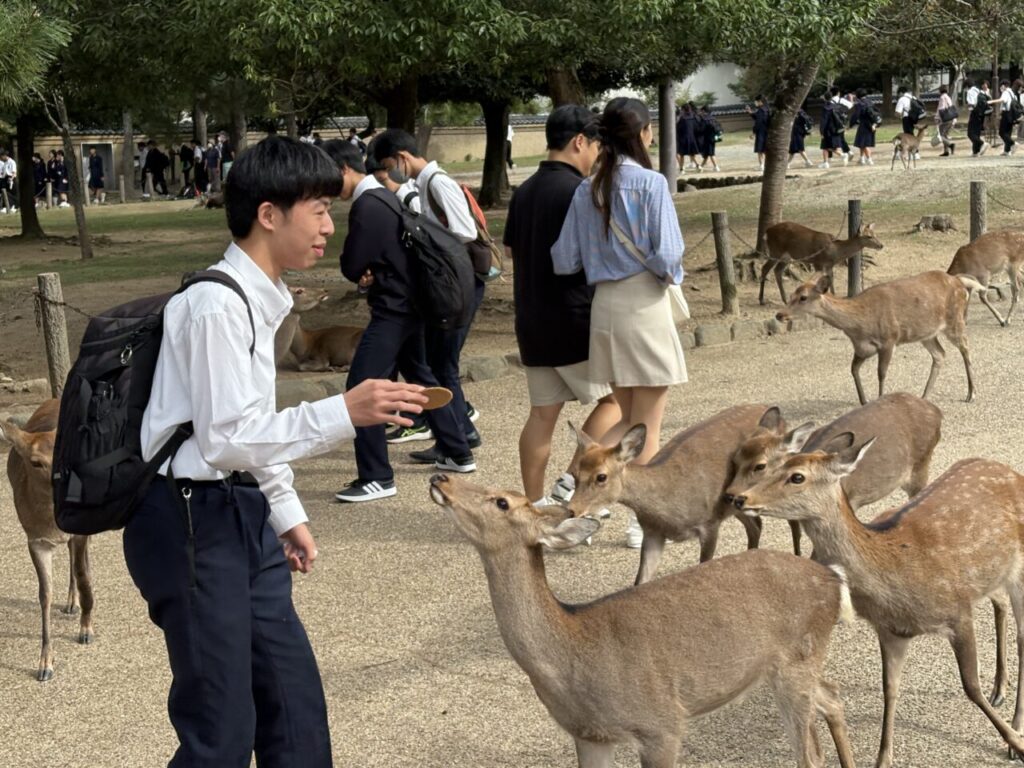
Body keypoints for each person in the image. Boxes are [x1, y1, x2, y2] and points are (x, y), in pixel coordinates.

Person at [125, 135, 429, 766]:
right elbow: (225, 438)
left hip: (239, 511)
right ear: (269, 214)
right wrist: (343, 411)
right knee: (221, 731)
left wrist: (285, 512)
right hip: (187, 521)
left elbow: (247, 425)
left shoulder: (261, 298)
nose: (329, 226)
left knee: (294, 707)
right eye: (317, 210)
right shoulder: (215, 306)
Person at [552, 97, 687, 549]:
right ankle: (641, 522)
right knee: (646, 424)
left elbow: (564, 259)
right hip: (642, 304)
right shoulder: (651, 183)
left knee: (629, 417)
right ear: (644, 133)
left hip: (604, 307)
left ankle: (576, 487)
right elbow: (668, 256)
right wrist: (661, 272)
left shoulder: (585, 189)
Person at [321, 140, 476, 500]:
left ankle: (377, 476)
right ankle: (457, 450)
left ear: (343, 169)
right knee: (420, 378)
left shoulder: (367, 204)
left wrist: (363, 272)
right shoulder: (385, 196)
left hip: (393, 309)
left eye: (327, 177)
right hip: (413, 304)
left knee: (363, 386)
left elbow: (351, 263)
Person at [503, 105, 620, 508]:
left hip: (531, 319)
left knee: (542, 415)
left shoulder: (524, 191)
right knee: (617, 403)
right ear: (580, 141)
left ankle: (532, 505)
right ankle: (571, 479)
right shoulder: (580, 192)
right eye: (597, 147)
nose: (597, 156)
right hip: (574, 317)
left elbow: (510, 250)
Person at [371, 130, 484, 458]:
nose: (390, 173)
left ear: (402, 157)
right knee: (439, 363)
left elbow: (464, 231)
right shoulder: (423, 184)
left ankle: (458, 437)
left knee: (442, 364)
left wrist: (427, 243)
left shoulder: (437, 182)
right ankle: (459, 434)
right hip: (450, 283)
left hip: (458, 283)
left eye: (389, 165)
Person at [851, 88, 878, 165]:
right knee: (862, 143)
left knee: (864, 143)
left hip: (864, 125)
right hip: (872, 125)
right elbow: (877, 112)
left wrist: (851, 124)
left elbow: (856, 115)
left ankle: (869, 159)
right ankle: (862, 158)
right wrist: (875, 124)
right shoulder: (870, 102)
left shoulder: (859, 104)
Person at [968, 81, 993, 156]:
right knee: (976, 133)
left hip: (975, 113)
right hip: (982, 115)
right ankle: (976, 151)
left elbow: (971, 103)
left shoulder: (971, 91)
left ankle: (982, 143)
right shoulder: (982, 93)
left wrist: (969, 107)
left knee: (970, 133)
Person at [746, 95, 770, 171]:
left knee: (760, 150)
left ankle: (761, 165)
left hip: (761, 132)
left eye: (756, 102)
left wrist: (753, 132)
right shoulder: (767, 109)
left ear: (760, 102)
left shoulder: (760, 110)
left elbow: (758, 122)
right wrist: (750, 112)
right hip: (767, 131)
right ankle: (767, 165)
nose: (755, 103)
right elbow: (757, 117)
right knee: (765, 149)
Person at [998, 79, 1021, 155]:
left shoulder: (1006, 92)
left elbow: (1003, 101)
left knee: (1001, 132)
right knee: (1008, 133)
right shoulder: (1013, 94)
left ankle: (1012, 143)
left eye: (1001, 85)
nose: (1000, 87)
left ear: (1004, 85)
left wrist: (992, 101)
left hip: (1006, 114)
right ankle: (1007, 151)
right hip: (1012, 115)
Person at [676, 102, 701, 171]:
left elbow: (678, 128)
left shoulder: (682, 118)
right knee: (691, 154)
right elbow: (697, 127)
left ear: (683, 109)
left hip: (683, 138)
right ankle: (698, 166)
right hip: (692, 138)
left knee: (682, 154)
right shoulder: (693, 117)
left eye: (682, 109)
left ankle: (682, 169)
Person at [788, 102, 814, 168]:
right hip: (801, 133)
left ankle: (808, 161)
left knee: (799, 149)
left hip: (796, 133)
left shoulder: (796, 113)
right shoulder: (802, 112)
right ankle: (788, 163)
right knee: (793, 149)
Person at [933, 84, 957, 157]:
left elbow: (941, 108)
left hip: (945, 119)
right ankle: (946, 151)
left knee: (941, 135)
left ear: (940, 90)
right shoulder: (948, 97)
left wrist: (937, 117)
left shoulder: (942, 98)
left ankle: (950, 145)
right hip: (951, 118)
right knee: (945, 135)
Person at [698, 105, 722, 172]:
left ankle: (716, 167)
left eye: (701, 111)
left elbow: (701, 129)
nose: (700, 112)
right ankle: (701, 166)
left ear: (703, 111)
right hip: (714, 137)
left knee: (711, 153)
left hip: (707, 138)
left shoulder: (704, 119)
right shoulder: (713, 118)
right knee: (707, 153)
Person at [0, 147, 18, 214]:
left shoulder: (12, 162)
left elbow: (14, 172)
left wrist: (11, 179)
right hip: (5, 178)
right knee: (6, 193)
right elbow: (4, 172)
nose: (1, 158)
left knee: (11, 194)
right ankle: (7, 206)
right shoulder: (5, 163)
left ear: (5, 156)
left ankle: (13, 206)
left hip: (10, 178)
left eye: (2, 156)